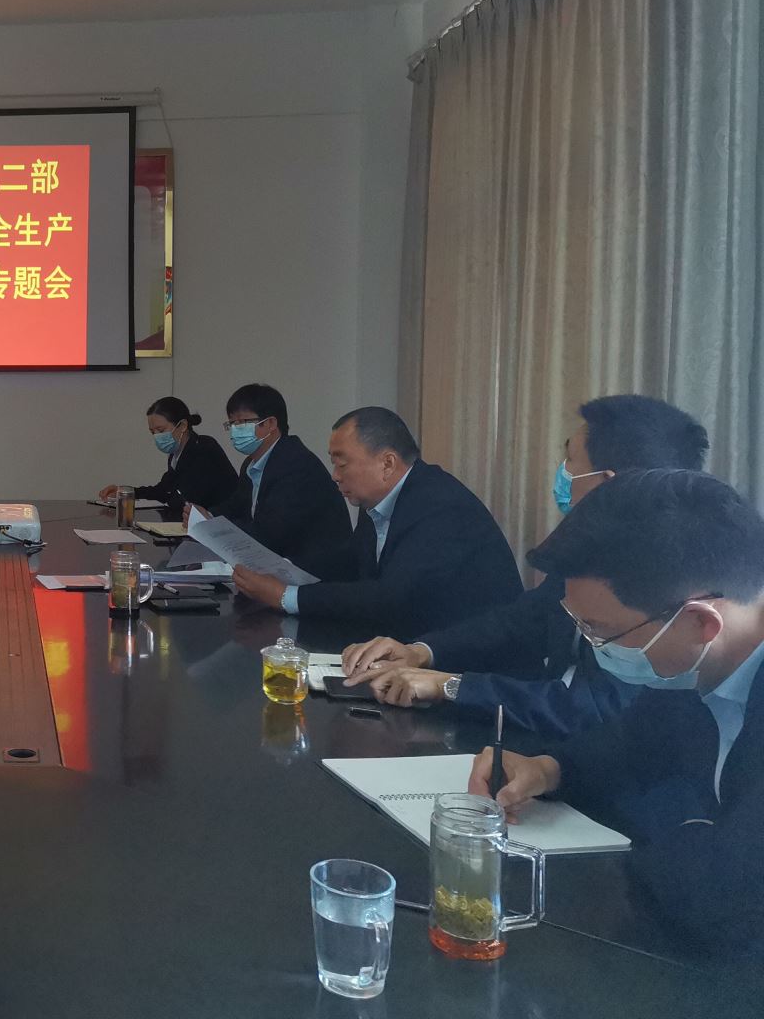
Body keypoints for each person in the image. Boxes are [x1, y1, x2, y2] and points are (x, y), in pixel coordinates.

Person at [469, 470, 764, 960]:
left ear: (700, 623)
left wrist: (678, 828)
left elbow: (723, 897)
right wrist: (547, 768)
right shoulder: (698, 667)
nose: (592, 645)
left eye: (600, 630)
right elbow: (633, 741)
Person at [342, 396, 709, 735]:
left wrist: (451, 686)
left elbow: (591, 709)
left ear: (607, 485)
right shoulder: (588, 551)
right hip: (548, 747)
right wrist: (422, 651)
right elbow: (522, 620)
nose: (561, 472)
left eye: (570, 461)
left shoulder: (664, 580)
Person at [232, 407, 521, 638]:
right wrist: (282, 570)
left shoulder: (439, 505)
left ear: (387, 463)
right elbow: (350, 560)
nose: (334, 475)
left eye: (342, 464)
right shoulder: (378, 500)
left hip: (473, 669)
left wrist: (286, 596)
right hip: (409, 645)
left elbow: (391, 598)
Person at [211, 383, 352, 578]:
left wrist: (215, 531)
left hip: (314, 576)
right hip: (279, 566)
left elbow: (269, 534)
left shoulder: (295, 464)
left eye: (242, 422)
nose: (235, 431)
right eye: (232, 424)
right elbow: (236, 506)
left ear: (270, 423)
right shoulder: (252, 464)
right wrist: (207, 517)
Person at [98, 396, 238, 515]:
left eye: (161, 430)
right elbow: (163, 490)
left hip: (220, 524)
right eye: (152, 432)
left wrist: (167, 498)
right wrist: (126, 492)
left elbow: (185, 498)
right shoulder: (175, 454)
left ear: (182, 425)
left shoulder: (203, 448)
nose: (157, 436)